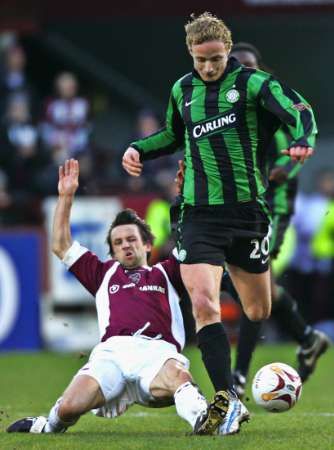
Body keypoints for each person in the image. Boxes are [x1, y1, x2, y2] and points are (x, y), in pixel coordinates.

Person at [122, 12, 317, 429]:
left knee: (258, 307)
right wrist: (139, 148)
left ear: (228, 50)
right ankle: (228, 399)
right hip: (198, 214)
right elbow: (173, 135)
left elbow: (299, 109)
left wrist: (302, 139)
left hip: (247, 213)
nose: (208, 68)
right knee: (205, 305)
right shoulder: (183, 89)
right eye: (200, 60)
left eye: (215, 58)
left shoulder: (252, 83)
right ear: (191, 54)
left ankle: (239, 384)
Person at [7, 158, 247, 436]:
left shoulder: (168, 272)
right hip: (113, 354)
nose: (126, 246)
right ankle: (47, 426)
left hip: (157, 353)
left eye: (132, 239)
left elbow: (191, 245)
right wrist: (66, 196)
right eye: (118, 243)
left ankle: (205, 422)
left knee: (180, 378)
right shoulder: (101, 274)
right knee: (69, 408)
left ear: (147, 243)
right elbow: (61, 245)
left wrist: (186, 196)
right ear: (113, 252)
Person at [222, 42, 330, 397]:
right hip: (241, 208)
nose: (245, 72)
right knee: (252, 286)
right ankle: (307, 336)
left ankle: (238, 376)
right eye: (239, 66)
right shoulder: (229, 108)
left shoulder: (271, 104)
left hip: (273, 209)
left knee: (252, 284)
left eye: (251, 66)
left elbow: (294, 149)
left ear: (261, 68)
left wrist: (280, 170)